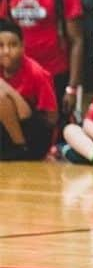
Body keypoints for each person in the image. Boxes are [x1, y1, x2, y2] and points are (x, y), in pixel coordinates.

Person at [0, 0, 83, 115]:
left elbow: (77, 41)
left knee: (54, 130)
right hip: (19, 74)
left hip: (55, 74)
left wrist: (72, 87)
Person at [0, 19, 58, 161]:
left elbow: (52, 119)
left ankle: (21, 148)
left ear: (23, 46)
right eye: (0, 46)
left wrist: (9, 90)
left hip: (35, 134)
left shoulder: (36, 72)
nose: (6, 51)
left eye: (13, 45)